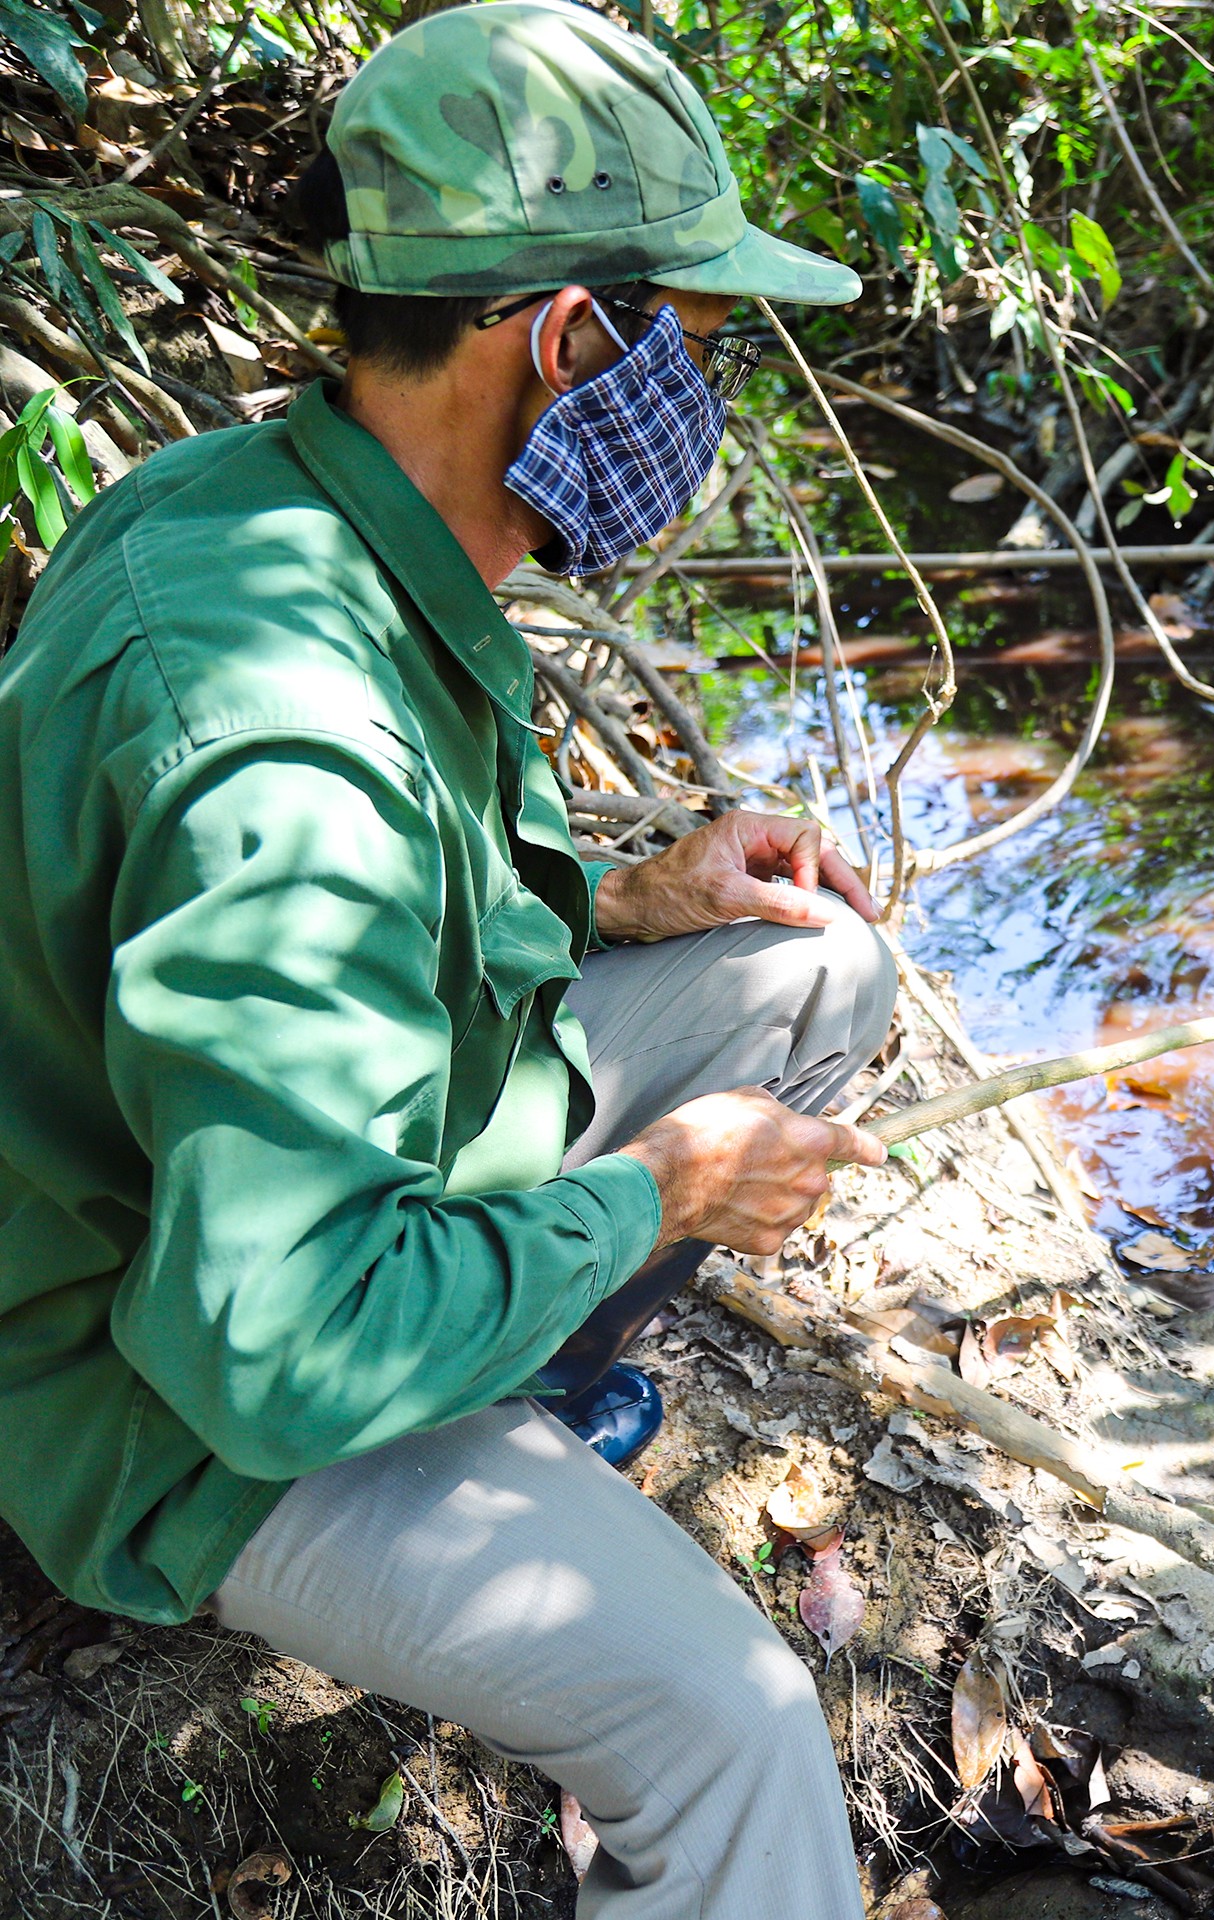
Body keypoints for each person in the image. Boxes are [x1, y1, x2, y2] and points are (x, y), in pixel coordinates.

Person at [0, 5, 892, 1912]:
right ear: (573, 344)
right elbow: (272, 1348)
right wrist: (661, 1191)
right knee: (736, 1734)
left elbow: (325, 959)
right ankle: (449, 1431)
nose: (710, 403)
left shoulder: (262, 506)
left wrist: (625, 903)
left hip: (287, 1204)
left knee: (816, 973)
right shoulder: (283, 746)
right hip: (167, 1388)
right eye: (700, 347)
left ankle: (499, 1395)